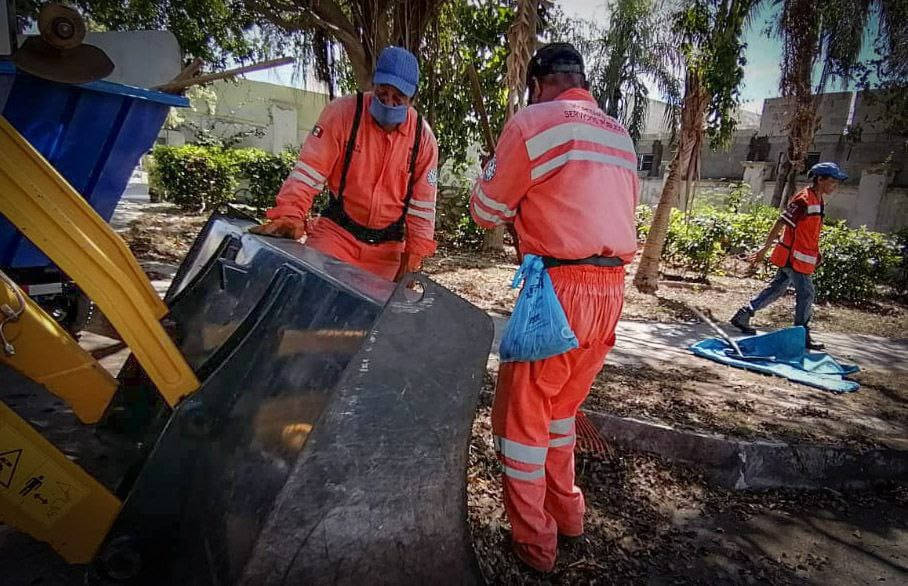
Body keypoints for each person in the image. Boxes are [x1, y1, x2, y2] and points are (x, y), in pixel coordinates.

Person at [469, 42, 638, 572]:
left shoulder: (531, 123)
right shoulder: (620, 134)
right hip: (611, 290)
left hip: (558, 294)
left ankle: (534, 546)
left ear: (538, 83)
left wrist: (490, 179)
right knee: (560, 412)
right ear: (580, 79)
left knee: (521, 421)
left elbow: (485, 210)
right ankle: (569, 519)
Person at [251, 46, 439, 281]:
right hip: (337, 235)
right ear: (374, 83)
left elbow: (422, 208)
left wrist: (412, 259)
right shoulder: (342, 114)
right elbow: (309, 172)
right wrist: (290, 214)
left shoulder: (424, 139)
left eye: (398, 97)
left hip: (387, 251)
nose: (389, 103)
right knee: (310, 289)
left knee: (375, 314)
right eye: (383, 93)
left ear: (412, 98)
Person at [730, 162, 848, 350]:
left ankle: (744, 314)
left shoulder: (818, 200)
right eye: (832, 181)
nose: (835, 186)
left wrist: (816, 251)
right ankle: (801, 335)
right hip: (793, 258)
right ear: (819, 179)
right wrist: (763, 249)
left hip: (800, 258)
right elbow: (780, 223)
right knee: (807, 293)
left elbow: (809, 231)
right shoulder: (803, 200)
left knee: (776, 289)